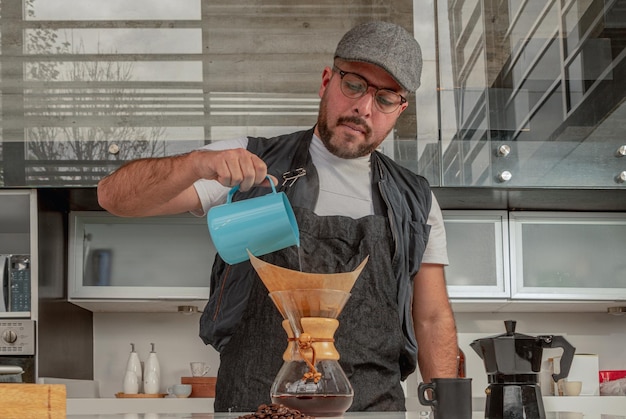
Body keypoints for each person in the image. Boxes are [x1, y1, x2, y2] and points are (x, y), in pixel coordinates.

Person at [97, 21, 458, 412]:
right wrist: (197, 163)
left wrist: (449, 407)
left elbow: (432, 317)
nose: (364, 107)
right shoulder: (247, 161)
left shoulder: (415, 199)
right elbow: (114, 198)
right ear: (326, 81)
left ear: (400, 109)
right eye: (354, 84)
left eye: (386, 98)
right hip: (255, 402)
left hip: (375, 407)